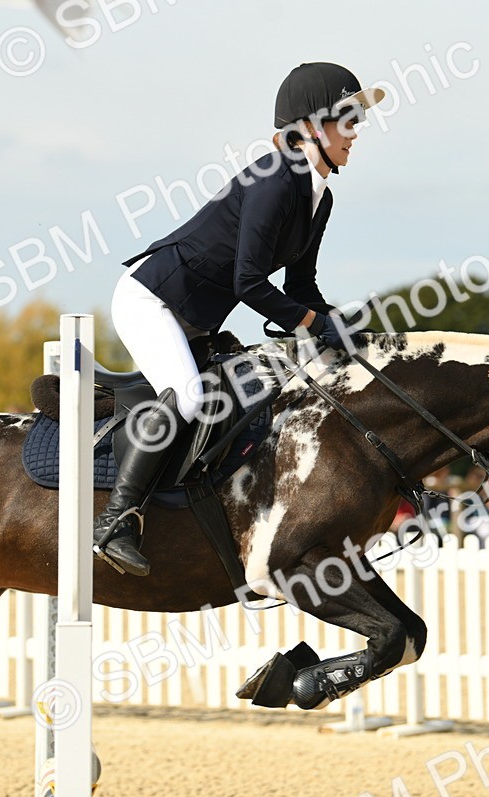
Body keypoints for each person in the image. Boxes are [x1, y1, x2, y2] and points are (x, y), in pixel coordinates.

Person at [100, 62, 385, 577]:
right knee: (190, 398)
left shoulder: (319, 198)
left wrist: (339, 324)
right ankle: (115, 522)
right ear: (311, 127)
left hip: (195, 318)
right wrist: (314, 324)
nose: (355, 132)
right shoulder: (274, 180)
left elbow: (301, 287)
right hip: (152, 300)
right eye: (347, 119)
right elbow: (248, 282)